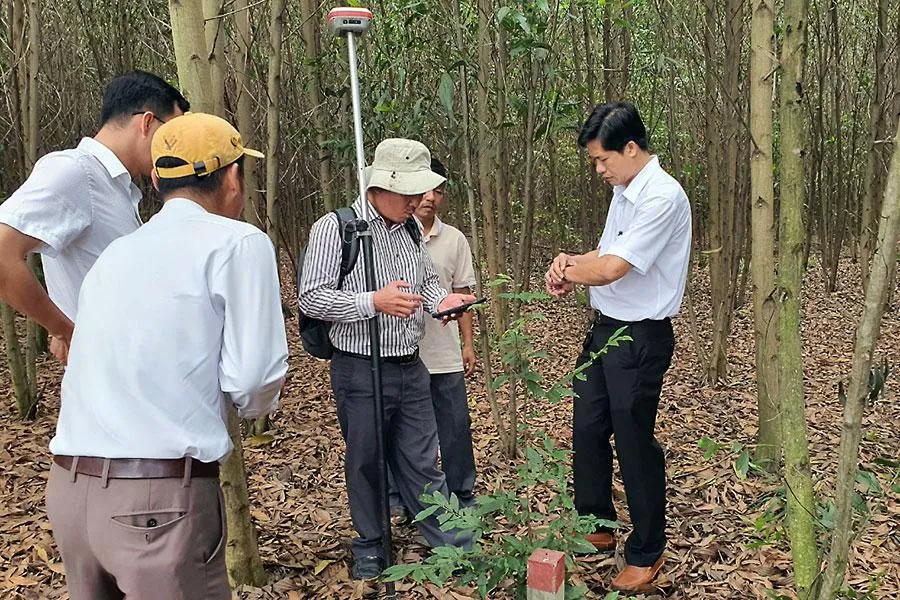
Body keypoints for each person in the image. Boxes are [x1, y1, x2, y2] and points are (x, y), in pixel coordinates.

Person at [45, 112, 289, 599]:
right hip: (156, 503)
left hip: (70, 493)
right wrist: (255, 407)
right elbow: (255, 377)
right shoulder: (238, 242)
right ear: (233, 177)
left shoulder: (116, 254)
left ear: (157, 179)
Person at [298, 138, 475, 580]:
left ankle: (452, 541)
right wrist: (371, 302)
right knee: (367, 459)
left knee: (421, 457)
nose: (420, 201)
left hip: (410, 366)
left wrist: (442, 302)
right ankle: (371, 544)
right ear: (382, 185)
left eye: (423, 193)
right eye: (411, 193)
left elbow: (425, 285)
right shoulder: (337, 228)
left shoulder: (412, 229)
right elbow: (312, 298)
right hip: (360, 367)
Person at [545, 102, 691, 593]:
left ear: (631, 148)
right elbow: (603, 254)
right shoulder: (624, 191)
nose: (599, 169)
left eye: (603, 159)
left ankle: (647, 550)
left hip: (641, 337)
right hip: (605, 329)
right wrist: (568, 260)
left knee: (632, 441)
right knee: (587, 426)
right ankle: (598, 524)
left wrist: (573, 272)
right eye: (595, 161)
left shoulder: (662, 197)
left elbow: (613, 268)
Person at [0, 70, 189, 363]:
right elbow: (2, 253)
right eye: (172, 135)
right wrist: (64, 330)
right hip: (104, 384)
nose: (174, 147)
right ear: (147, 122)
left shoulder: (114, 186)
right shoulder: (75, 172)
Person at [389, 158, 478, 524]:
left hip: (444, 354)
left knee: (454, 426)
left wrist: (467, 344)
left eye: (437, 191)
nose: (429, 198)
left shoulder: (454, 239)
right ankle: (399, 498)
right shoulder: (389, 235)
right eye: (423, 190)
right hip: (403, 352)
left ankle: (461, 494)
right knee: (402, 430)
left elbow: (463, 293)